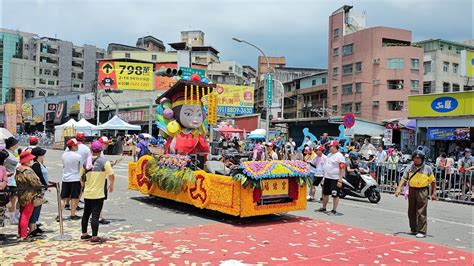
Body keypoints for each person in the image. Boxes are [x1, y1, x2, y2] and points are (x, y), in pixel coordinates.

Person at [395, 150, 436, 238]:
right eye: (415, 158)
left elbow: (433, 181)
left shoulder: (427, 168)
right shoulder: (409, 168)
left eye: (418, 158)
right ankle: (413, 229)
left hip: (422, 191)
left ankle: (422, 231)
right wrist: (399, 188)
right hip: (412, 190)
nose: (416, 160)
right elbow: (404, 178)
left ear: (422, 159)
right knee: (411, 211)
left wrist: (434, 192)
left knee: (421, 211)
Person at [81, 141, 115, 243]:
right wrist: (111, 185)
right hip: (98, 193)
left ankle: (84, 234)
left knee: (86, 214)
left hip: (87, 192)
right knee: (95, 215)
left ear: (91, 150)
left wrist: (83, 187)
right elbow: (111, 175)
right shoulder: (104, 162)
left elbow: (82, 178)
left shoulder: (85, 162)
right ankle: (94, 237)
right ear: (100, 151)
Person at [15, 151, 44, 241]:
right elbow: (35, 183)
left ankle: (21, 233)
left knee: (22, 214)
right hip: (30, 194)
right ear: (27, 161)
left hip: (22, 194)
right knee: (26, 215)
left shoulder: (19, 169)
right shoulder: (27, 170)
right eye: (31, 159)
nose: (32, 160)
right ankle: (24, 235)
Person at [317, 140, 345, 214]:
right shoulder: (329, 155)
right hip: (327, 177)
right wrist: (323, 177)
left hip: (335, 178)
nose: (329, 148)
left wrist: (340, 180)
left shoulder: (340, 156)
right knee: (325, 193)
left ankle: (334, 209)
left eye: (331, 146)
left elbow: (342, 169)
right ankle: (324, 207)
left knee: (335, 194)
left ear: (335, 147)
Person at [60, 139, 82, 220]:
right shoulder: (78, 156)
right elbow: (81, 167)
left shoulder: (64, 155)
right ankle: (73, 214)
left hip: (65, 178)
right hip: (75, 178)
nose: (77, 147)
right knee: (74, 197)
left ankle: (59, 214)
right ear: (72, 146)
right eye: (76, 145)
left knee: (63, 197)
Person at [28, 147, 48, 237]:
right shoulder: (36, 165)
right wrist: (45, 186)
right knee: (36, 208)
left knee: (37, 208)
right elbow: (39, 177)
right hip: (39, 190)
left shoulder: (39, 163)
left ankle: (34, 226)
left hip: (41, 189)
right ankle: (32, 228)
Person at [4, 137, 20, 225]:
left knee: (14, 199)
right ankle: (11, 218)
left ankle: (13, 217)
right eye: (16, 143)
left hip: (13, 178)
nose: (18, 144)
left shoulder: (13, 152)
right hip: (9, 179)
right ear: (12, 145)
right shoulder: (7, 154)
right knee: (12, 199)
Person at [0, 150, 10, 235]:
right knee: (1, 213)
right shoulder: (2, 168)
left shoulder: (3, 168)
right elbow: (4, 181)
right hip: (1, 195)